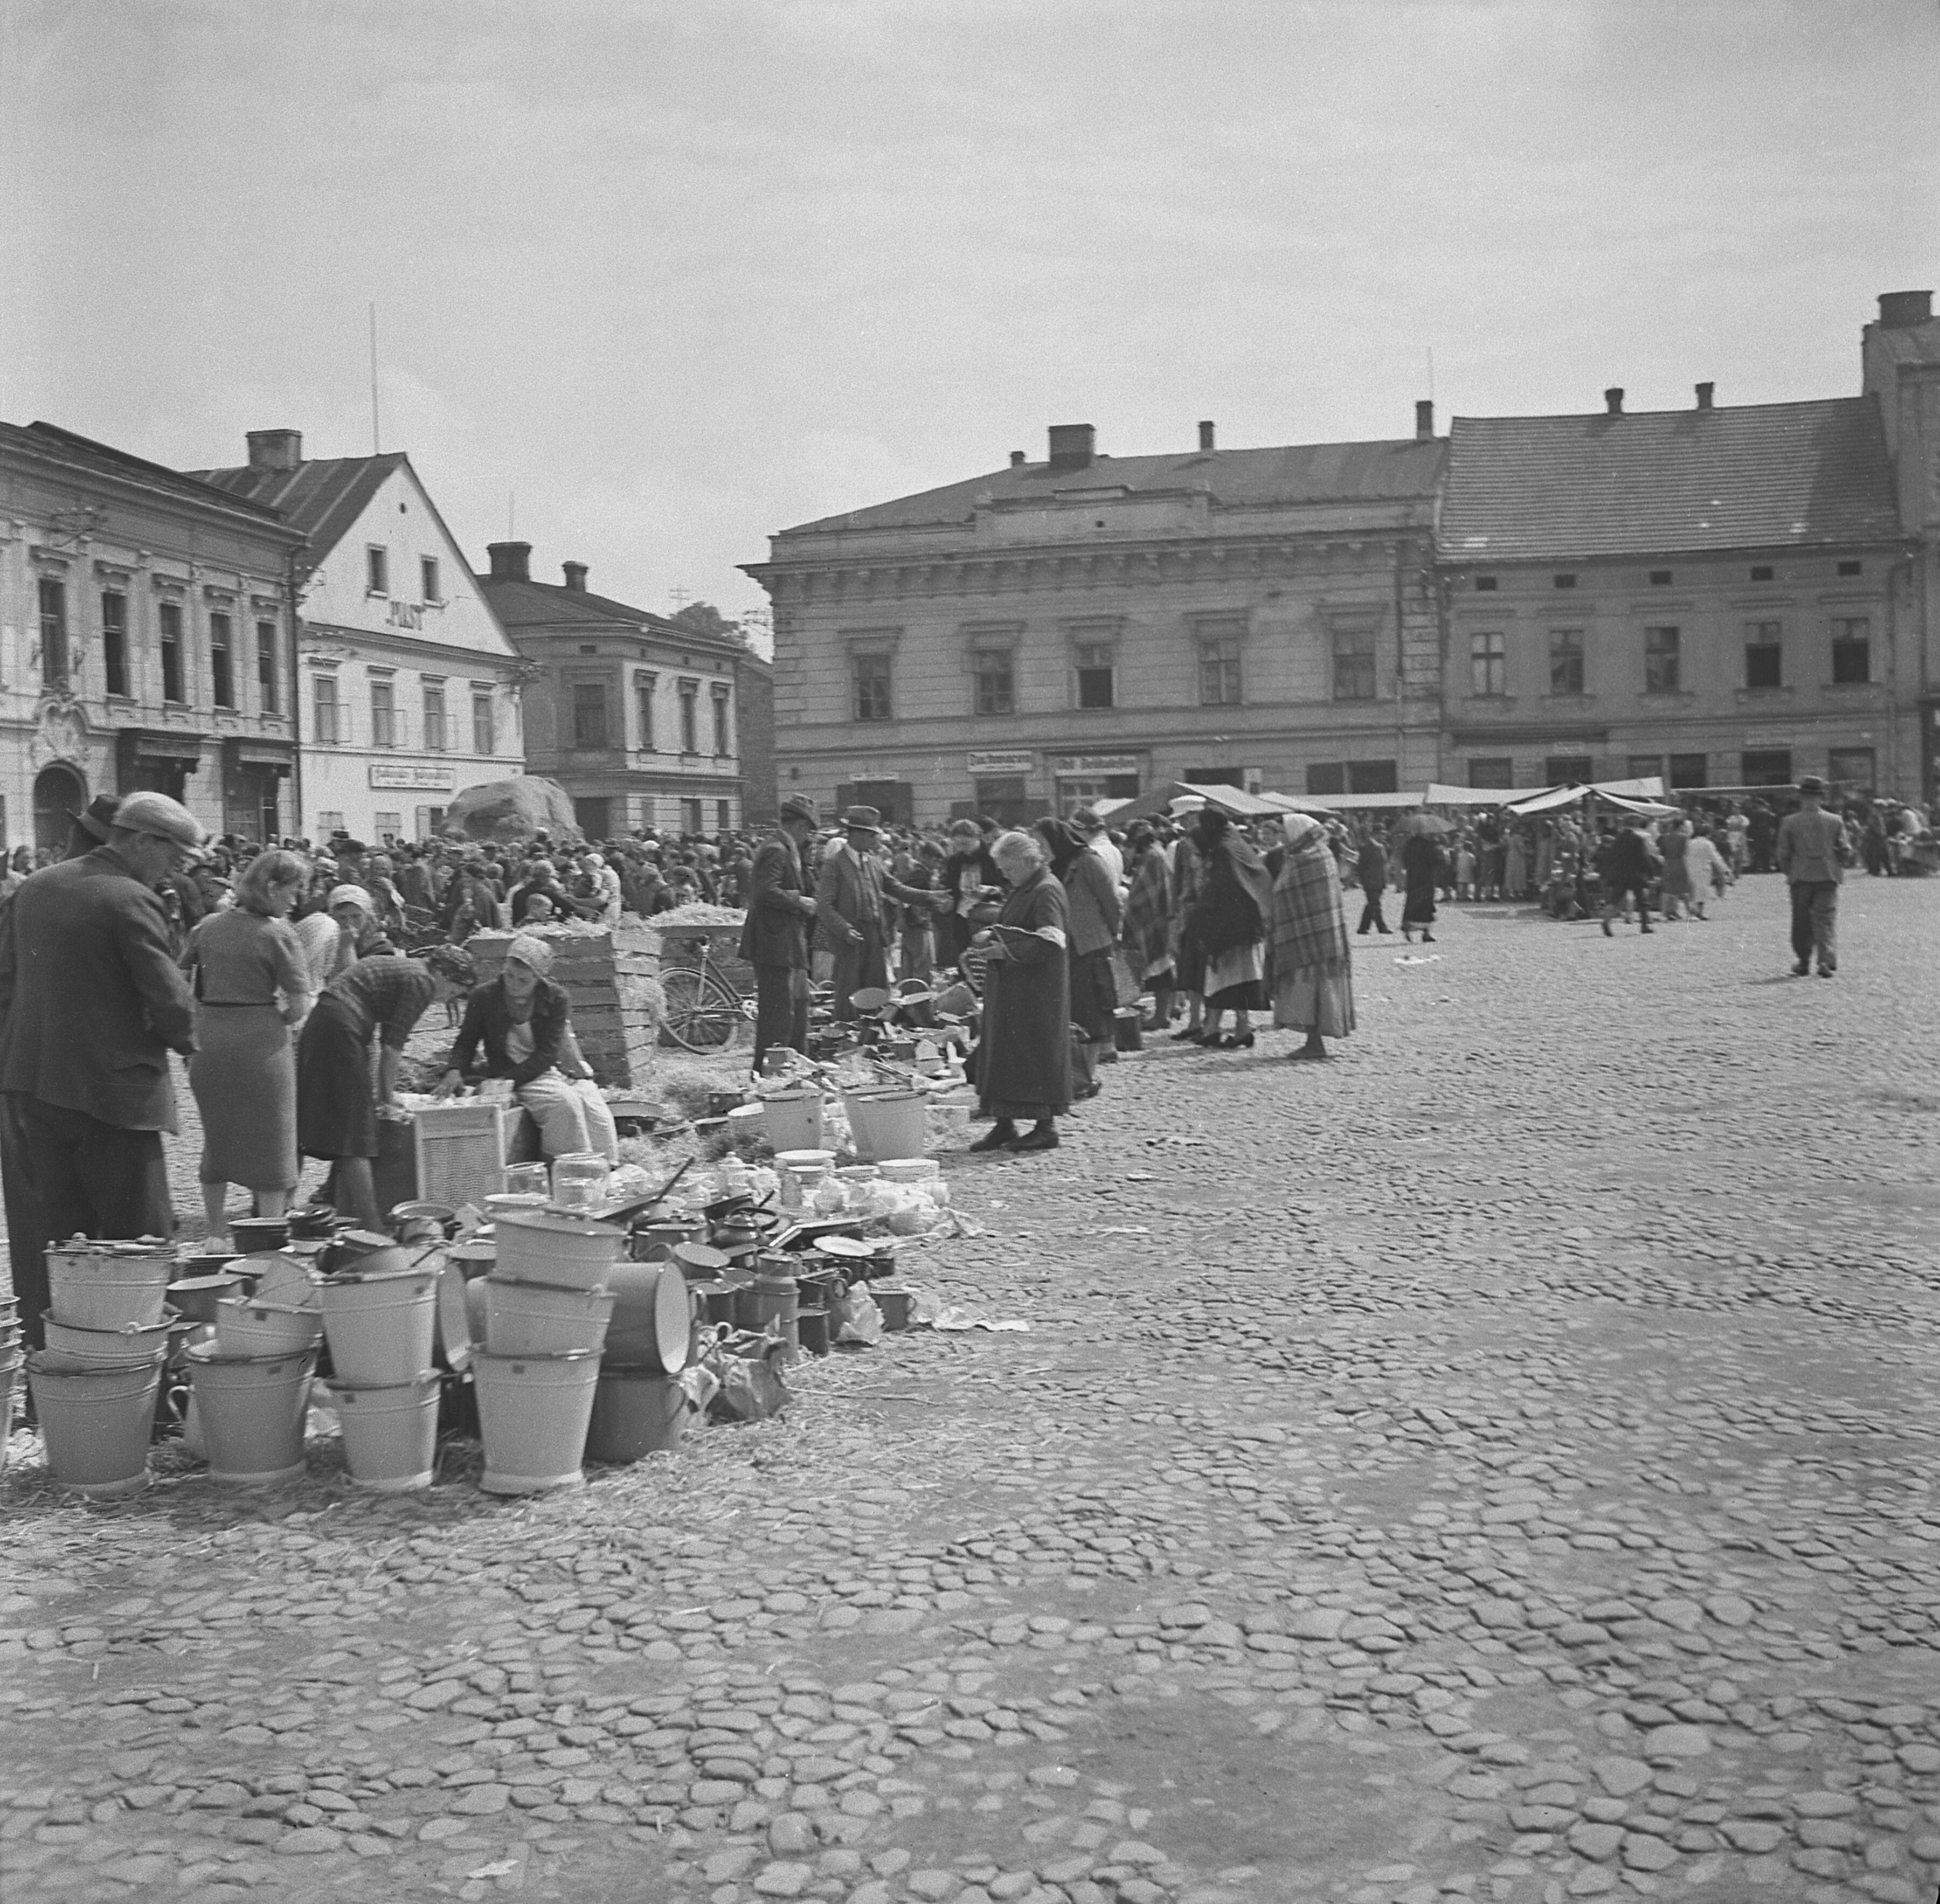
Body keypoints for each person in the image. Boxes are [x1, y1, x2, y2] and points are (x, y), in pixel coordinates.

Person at [0, 791, 204, 1352]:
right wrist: (187, 1040)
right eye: (175, 858)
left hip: (30, 1085)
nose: (175, 871)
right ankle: (136, 1367)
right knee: (139, 1236)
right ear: (142, 840)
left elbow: (8, 982)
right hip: (113, 1095)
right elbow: (173, 1004)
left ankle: (59, 1361)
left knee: (56, 1236)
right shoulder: (131, 899)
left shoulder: (37, 885)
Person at [183, 848, 314, 1240]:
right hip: (261, 1042)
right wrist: (279, 1015)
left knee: (217, 1138)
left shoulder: (206, 926)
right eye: (293, 889)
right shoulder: (277, 933)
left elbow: (176, 974)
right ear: (273, 887)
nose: (297, 898)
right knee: (273, 1141)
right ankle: (267, 1235)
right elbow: (298, 1004)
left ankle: (215, 1230)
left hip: (211, 1037)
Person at [296, 946, 472, 1230]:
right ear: (442, 972)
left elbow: (383, 1040)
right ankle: (371, 1223)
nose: (445, 1000)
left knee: (311, 1117)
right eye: (451, 991)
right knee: (357, 1131)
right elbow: (393, 1046)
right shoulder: (422, 981)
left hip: (327, 1018)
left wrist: (380, 1091)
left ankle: (282, 1208)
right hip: (342, 1026)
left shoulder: (407, 970)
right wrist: (387, 1098)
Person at [438, 933, 617, 1160]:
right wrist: (454, 1069)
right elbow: (467, 1040)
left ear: (539, 978)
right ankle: (561, 1167)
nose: (513, 985)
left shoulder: (556, 998)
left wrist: (508, 1081)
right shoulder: (484, 997)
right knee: (565, 1104)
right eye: (510, 976)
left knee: (593, 1106)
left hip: (538, 1071)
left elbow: (547, 1054)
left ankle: (604, 1167)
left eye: (523, 981)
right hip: (502, 1069)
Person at [967, 830, 1071, 1154]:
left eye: (1009, 868)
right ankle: (1004, 1123)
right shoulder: (1024, 887)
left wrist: (1004, 952)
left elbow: (1050, 942)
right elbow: (1016, 927)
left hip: (1037, 990)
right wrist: (992, 935)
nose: (1004, 875)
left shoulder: (1046, 890)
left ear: (1029, 861)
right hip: (1013, 987)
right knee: (1004, 1053)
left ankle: (1045, 1127)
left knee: (1035, 1054)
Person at [815, 806, 937, 1019]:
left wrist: (929, 897)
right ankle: (846, 1038)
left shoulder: (873, 862)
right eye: (871, 835)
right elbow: (824, 906)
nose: (875, 840)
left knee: (876, 990)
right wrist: (844, 930)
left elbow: (896, 888)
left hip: (874, 935)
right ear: (856, 834)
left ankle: (872, 1039)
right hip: (851, 936)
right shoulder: (835, 865)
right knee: (849, 991)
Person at [1035, 817, 1121, 1098]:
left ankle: (1087, 1076)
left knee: (1094, 1011)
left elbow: (1111, 901)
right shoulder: (1050, 868)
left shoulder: (1086, 860)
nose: (1040, 848)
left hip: (1091, 944)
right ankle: (1075, 1075)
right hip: (1064, 945)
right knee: (1073, 1011)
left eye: (1043, 843)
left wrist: (1111, 935)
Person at [739, 794, 821, 1071]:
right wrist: (799, 901)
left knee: (788, 1011)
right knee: (777, 1015)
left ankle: (780, 1068)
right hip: (774, 943)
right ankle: (768, 1073)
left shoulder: (784, 848)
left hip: (782, 943)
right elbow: (764, 891)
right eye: (809, 829)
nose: (809, 836)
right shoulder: (777, 849)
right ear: (799, 826)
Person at [1270, 813, 1356, 1061]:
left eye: (1285, 833)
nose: (1283, 838)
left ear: (1297, 832)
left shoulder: (1307, 859)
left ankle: (1315, 1043)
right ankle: (1313, 1042)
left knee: (1313, 992)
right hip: (1321, 937)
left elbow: (1285, 891)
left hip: (1312, 939)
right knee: (1314, 991)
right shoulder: (1319, 854)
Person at [1184, 808, 1272, 1050]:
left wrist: (1202, 915)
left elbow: (1224, 888)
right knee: (1236, 981)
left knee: (1225, 980)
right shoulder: (1235, 843)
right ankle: (1237, 1029)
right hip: (1246, 926)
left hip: (1232, 929)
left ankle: (1220, 1029)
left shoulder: (1224, 850)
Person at [1776, 774, 1852, 977]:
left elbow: (1783, 854)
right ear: (1821, 798)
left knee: (1801, 921)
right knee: (1825, 919)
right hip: (1828, 876)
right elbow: (1845, 850)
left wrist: (1790, 872)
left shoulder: (1789, 822)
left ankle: (1803, 961)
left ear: (1802, 797)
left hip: (1800, 878)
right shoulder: (1835, 821)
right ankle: (1825, 961)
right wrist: (1839, 862)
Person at [1119, 823, 1175, 1031]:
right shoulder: (1157, 853)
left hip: (1153, 919)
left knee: (1159, 968)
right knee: (1160, 967)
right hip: (1158, 917)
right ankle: (1164, 1013)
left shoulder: (1152, 857)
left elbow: (1146, 891)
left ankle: (1162, 1015)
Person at [936, 820, 1003, 972]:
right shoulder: (954, 861)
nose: (961, 848)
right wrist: (946, 900)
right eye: (957, 844)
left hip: (988, 914)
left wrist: (991, 890)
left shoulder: (992, 858)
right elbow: (949, 886)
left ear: (977, 837)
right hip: (963, 914)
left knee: (985, 957)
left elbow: (1006, 884)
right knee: (964, 955)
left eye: (965, 844)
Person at [1599, 815, 1659, 936]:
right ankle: (1644, 926)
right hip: (1635, 874)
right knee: (1642, 901)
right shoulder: (1638, 839)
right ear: (1635, 825)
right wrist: (1651, 873)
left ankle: (1606, 920)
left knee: (1614, 900)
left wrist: (1607, 873)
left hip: (1620, 874)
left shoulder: (1617, 840)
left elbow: (1610, 857)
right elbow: (1644, 858)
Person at [1399, 821, 1443, 944]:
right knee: (1427, 905)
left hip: (1413, 878)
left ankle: (1408, 929)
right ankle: (1426, 933)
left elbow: (1405, 860)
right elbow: (1433, 861)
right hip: (1426, 879)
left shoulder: (1409, 845)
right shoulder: (1428, 845)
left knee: (1412, 903)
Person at [1354, 826, 1391, 935]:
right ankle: (1382, 927)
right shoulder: (1368, 847)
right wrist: (1363, 880)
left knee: (1371, 904)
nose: (1383, 836)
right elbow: (1362, 865)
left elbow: (1384, 864)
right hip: (1371, 880)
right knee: (1375, 904)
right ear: (1376, 834)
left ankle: (1363, 927)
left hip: (1379, 880)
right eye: (1381, 834)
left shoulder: (1382, 847)